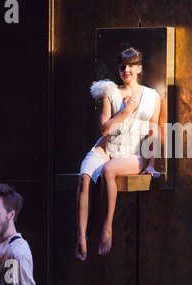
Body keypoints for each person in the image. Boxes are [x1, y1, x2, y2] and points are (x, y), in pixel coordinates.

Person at [75, 47, 161, 260]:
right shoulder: (109, 92)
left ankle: (107, 229)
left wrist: (151, 164)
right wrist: (125, 111)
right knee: (84, 177)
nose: (127, 69)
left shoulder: (151, 96)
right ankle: (81, 237)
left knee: (108, 170)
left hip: (133, 154)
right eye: (123, 65)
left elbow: (154, 131)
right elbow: (104, 129)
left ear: (139, 68)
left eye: (131, 65)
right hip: (106, 147)